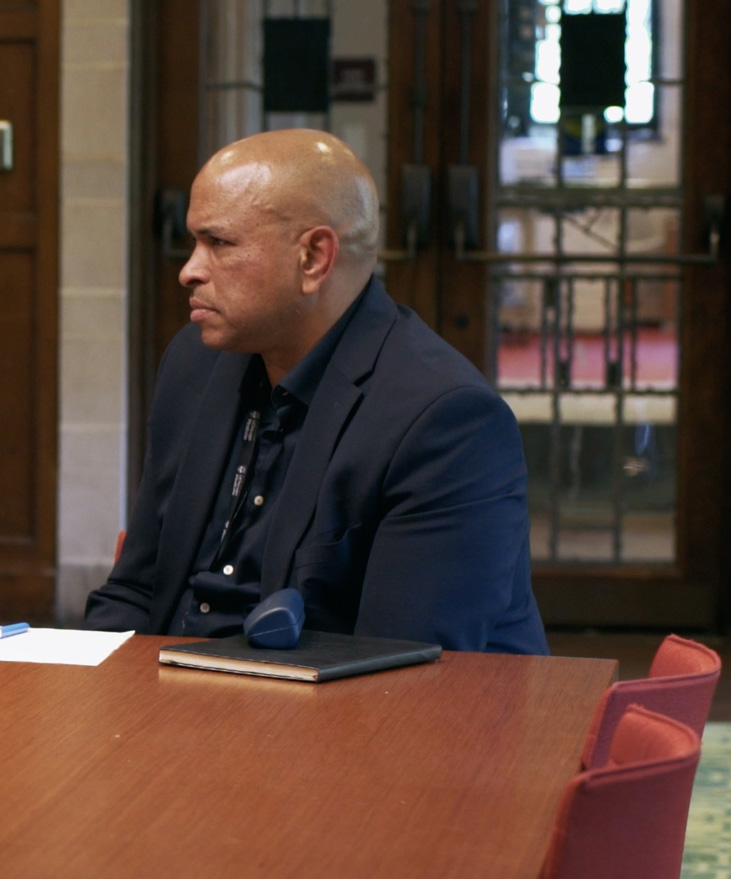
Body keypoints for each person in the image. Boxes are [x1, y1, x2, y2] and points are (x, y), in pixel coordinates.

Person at [83, 129, 546, 653]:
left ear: (313, 259)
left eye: (219, 243)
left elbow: (398, 670)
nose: (189, 270)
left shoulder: (445, 420)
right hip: (177, 702)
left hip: (353, 717)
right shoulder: (195, 362)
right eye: (193, 242)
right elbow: (136, 589)